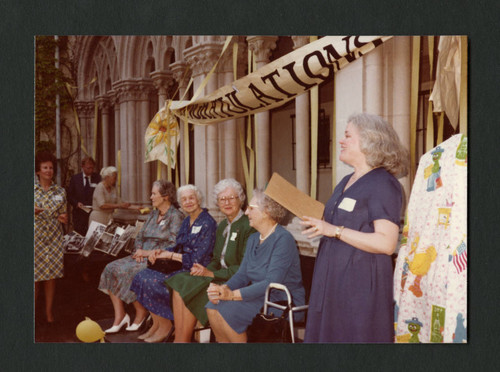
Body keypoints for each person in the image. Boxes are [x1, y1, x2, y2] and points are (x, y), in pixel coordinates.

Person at [300, 113, 409, 343]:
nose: (341, 141)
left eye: (348, 136)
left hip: (358, 289)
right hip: (331, 286)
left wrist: (334, 230)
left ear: (370, 141)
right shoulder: (346, 180)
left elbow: (387, 243)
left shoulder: (384, 183)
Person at [206, 189, 305, 343]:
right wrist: (224, 288)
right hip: (258, 295)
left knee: (229, 310)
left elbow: (271, 283)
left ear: (266, 211)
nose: (246, 212)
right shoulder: (253, 238)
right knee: (211, 307)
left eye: (251, 208)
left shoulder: (283, 239)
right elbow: (242, 274)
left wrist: (232, 295)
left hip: (280, 300)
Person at [166, 179, 255, 342]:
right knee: (179, 281)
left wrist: (211, 273)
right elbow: (215, 258)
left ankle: (182, 342)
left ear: (240, 199)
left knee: (188, 284)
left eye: (231, 198)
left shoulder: (248, 226)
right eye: (222, 199)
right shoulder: (222, 226)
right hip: (218, 273)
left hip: (234, 279)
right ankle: (179, 338)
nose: (227, 203)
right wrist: (203, 269)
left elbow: (244, 268)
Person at [130, 185, 217, 343]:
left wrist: (170, 255)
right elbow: (178, 246)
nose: (188, 202)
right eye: (184, 199)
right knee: (142, 276)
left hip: (196, 270)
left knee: (154, 281)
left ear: (199, 199)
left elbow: (197, 259)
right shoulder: (187, 221)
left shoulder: (207, 222)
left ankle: (167, 326)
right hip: (180, 266)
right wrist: (160, 251)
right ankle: (159, 324)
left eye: (191, 198)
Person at [98, 180, 184, 333]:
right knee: (111, 268)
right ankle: (120, 316)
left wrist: (147, 253)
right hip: (141, 254)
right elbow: (140, 236)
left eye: (153, 194)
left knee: (129, 272)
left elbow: (174, 244)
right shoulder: (154, 213)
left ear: (165, 196)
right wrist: (138, 251)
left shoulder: (176, 216)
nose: (150, 197)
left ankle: (141, 312)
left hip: (158, 259)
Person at [34, 151, 68, 324]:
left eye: (51, 168)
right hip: (35, 238)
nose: (48, 170)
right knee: (34, 277)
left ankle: (48, 313)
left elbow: (64, 216)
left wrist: (63, 218)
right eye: (45, 167)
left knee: (51, 276)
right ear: (38, 171)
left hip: (54, 238)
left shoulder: (60, 191)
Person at [67, 157, 101, 235]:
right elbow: (69, 195)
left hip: (93, 213)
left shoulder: (97, 178)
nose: (91, 170)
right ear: (82, 166)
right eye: (88, 168)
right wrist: (76, 203)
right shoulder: (75, 179)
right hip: (79, 214)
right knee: (79, 235)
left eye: (92, 168)